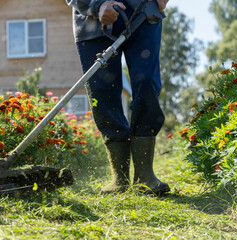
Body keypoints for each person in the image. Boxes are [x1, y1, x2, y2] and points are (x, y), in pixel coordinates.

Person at [66, 0, 170, 195]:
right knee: (102, 93)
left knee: (147, 83)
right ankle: (119, 177)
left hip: (144, 12)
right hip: (93, 22)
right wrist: (97, 5)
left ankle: (145, 175)